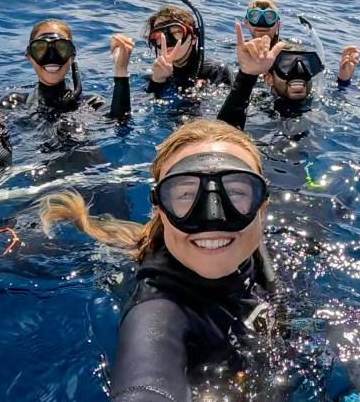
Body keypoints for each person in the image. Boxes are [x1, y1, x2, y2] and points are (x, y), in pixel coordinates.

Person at [38, 118, 277, 401]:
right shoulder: (157, 314)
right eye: (186, 194)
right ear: (160, 209)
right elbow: (144, 384)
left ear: (262, 206)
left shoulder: (257, 251)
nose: (214, 218)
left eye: (236, 191)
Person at [0, 18, 131, 120]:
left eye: (61, 49)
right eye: (41, 49)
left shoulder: (90, 103)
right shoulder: (13, 103)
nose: (51, 58)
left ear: (72, 57)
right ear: (30, 57)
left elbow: (120, 121)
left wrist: (121, 70)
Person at [218, 18, 357, 130]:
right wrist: (247, 75)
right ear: (269, 79)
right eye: (286, 66)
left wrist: (343, 82)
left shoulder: (319, 104)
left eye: (306, 65)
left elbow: (343, 110)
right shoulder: (257, 108)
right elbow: (224, 132)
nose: (298, 72)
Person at [130, 0, 233, 96]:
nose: (167, 40)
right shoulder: (154, 74)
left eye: (176, 32)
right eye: (159, 35)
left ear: (194, 38)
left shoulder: (217, 71)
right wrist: (157, 81)